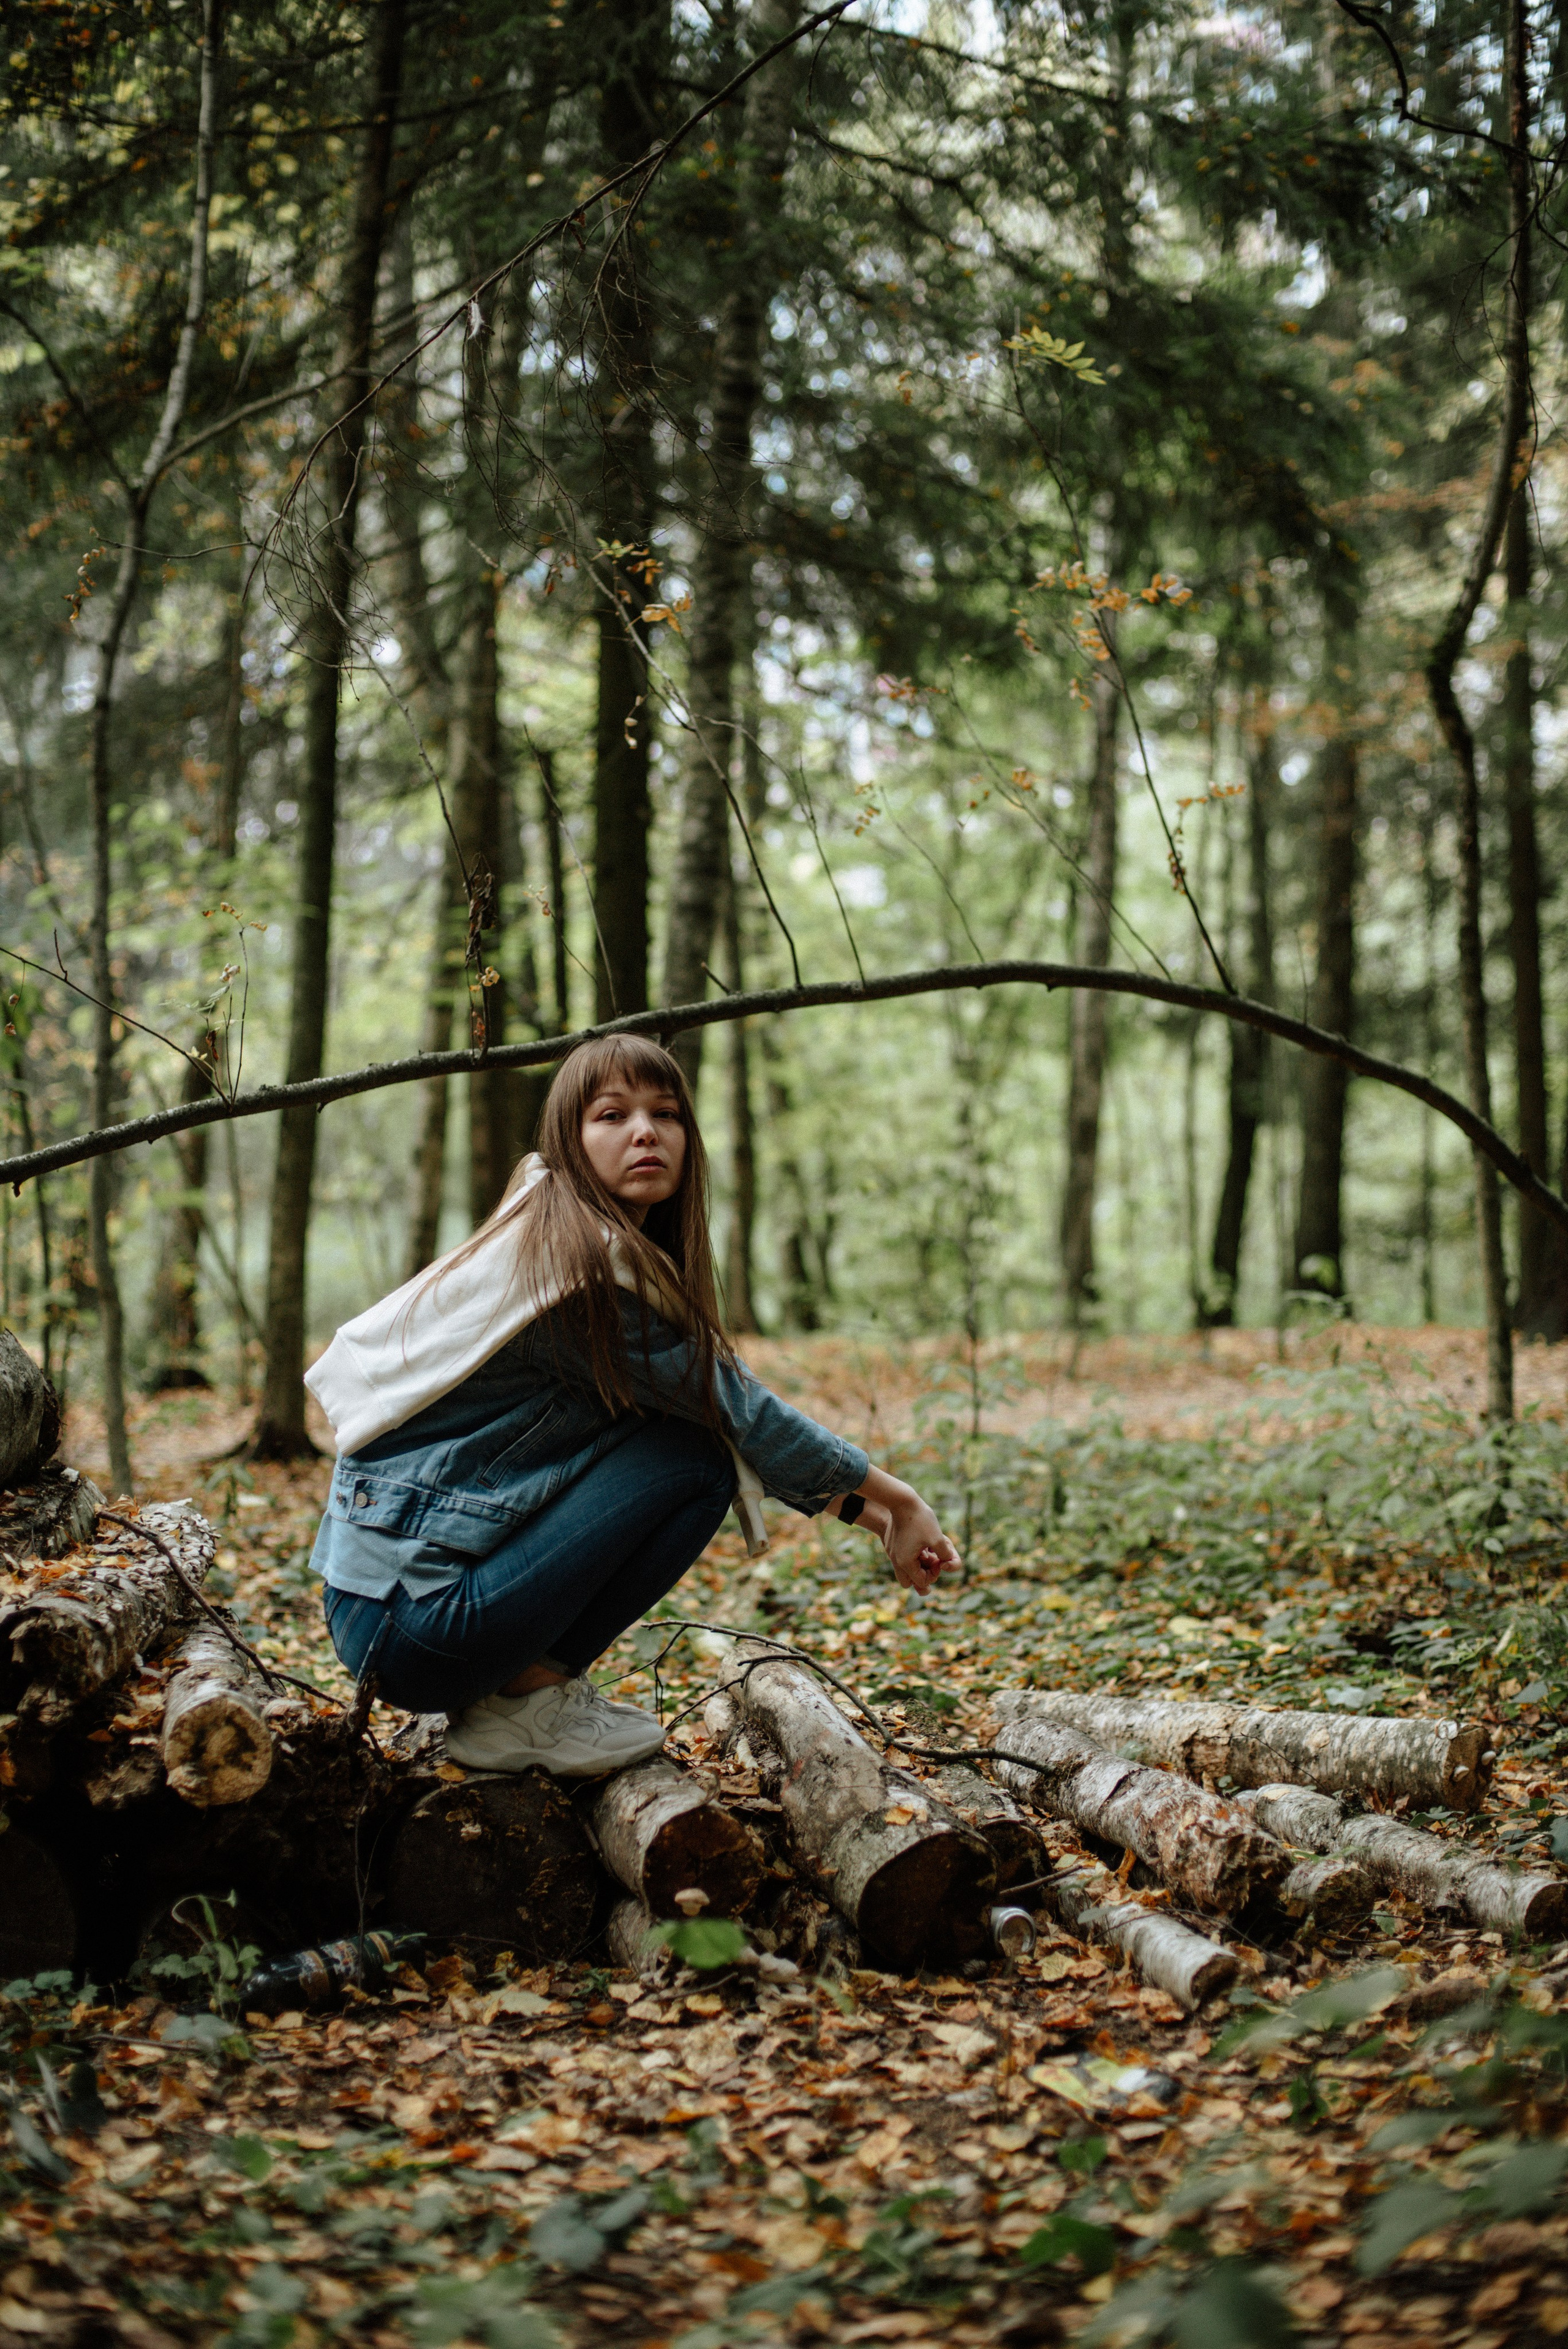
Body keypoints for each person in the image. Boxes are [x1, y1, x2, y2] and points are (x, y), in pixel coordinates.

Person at [305, 1035, 959, 1777]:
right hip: (413, 1622)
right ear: (570, 1138)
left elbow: (723, 1412)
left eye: (665, 1113)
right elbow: (739, 1413)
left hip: (392, 1606)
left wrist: (871, 1515)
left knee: (686, 1440)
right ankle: (524, 1707)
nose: (645, 1131)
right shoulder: (578, 1270)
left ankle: (521, 1696)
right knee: (697, 1462)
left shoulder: (563, 1235)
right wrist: (899, 1501)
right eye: (612, 1115)